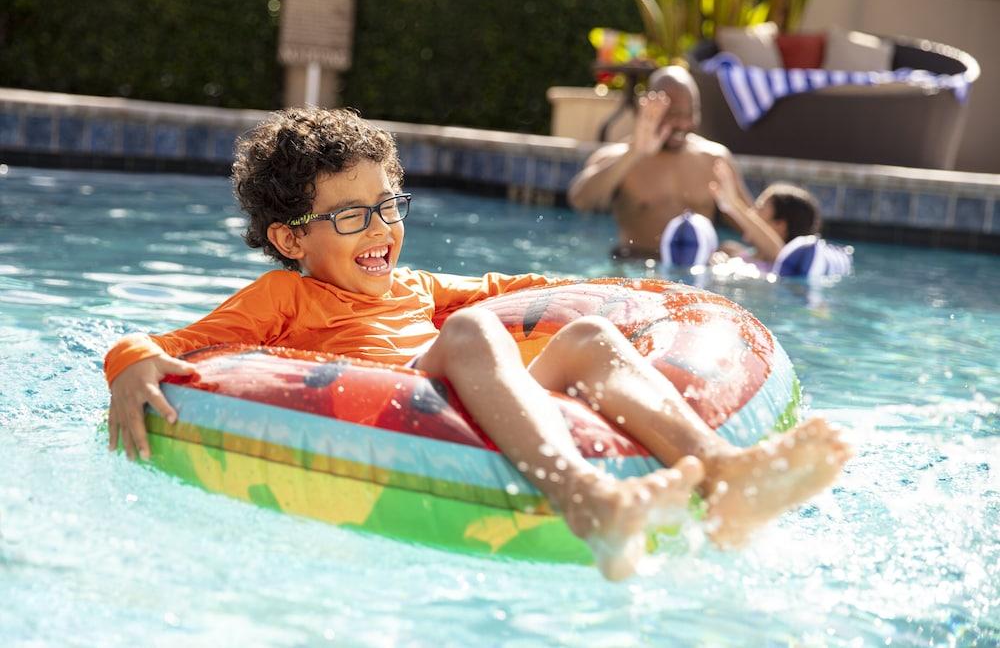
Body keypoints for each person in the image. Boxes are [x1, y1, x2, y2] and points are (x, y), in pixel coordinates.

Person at [105, 108, 851, 581]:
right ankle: (590, 502)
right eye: (353, 216)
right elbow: (167, 344)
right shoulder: (283, 296)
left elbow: (526, 289)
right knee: (468, 332)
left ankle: (726, 478)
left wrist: (636, 300)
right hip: (395, 402)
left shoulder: (421, 286)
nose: (381, 231)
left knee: (588, 334)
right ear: (291, 237)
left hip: (463, 388)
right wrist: (129, 363)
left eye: (388, 205)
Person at [567, 65, 748, 260]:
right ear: (649, 109)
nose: (683, 123)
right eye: (673, 114)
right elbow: (579, 200)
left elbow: (752, 230)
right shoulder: (618, 158)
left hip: (696, 275)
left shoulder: (714, 159)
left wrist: (732, 254)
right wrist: (634, 152)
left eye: (690, 113)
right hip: (638, 270)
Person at [710, 159, 853, 278]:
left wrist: (733, 204)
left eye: (759, 208)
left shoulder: (782, 264)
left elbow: (779, 253)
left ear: (780, 225)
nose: (751, 212)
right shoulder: (732, 251)